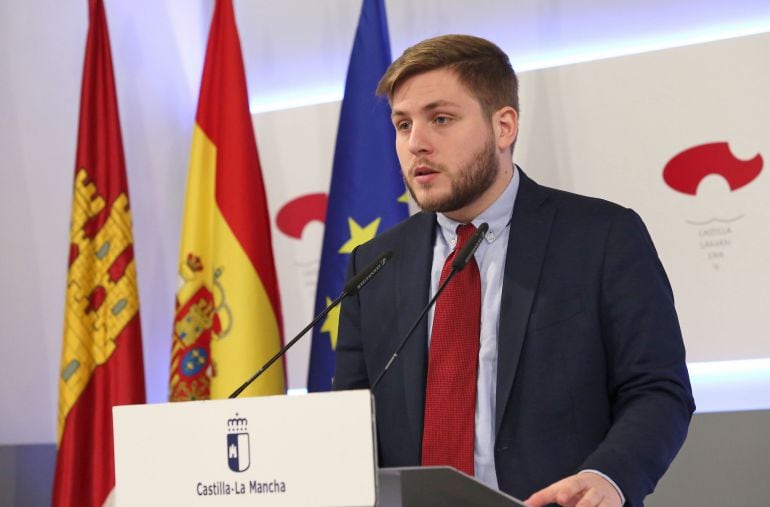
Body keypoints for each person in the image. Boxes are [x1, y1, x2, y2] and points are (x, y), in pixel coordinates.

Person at [333, 34, 695, 507]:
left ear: (503, 127)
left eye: (440, 119)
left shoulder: (602, 237)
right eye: (403, 125)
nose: (415, 143)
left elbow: (657, 389)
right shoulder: (376, 264)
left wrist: (609, 475)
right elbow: (350, 420)